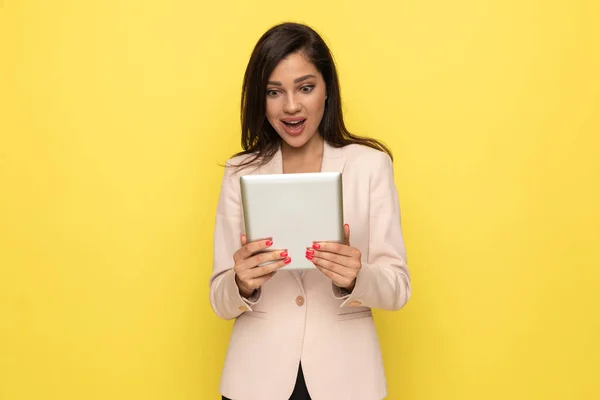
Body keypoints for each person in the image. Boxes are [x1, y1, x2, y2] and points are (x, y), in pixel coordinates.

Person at [209, 22, 411, 400]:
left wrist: (356, 278)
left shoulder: (370, 166)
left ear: (327, 90)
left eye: (305, 87)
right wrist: (241, 283)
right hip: (256, 380)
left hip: (348, 379)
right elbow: (219, 299)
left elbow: (398, 287)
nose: (291, 106)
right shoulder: (241, 172)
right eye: (274, 92)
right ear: (260, 98)